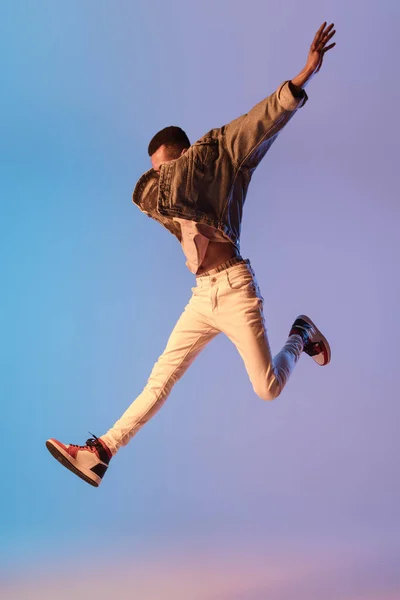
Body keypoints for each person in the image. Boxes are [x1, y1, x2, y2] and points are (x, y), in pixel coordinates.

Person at [46, 22, 336, 487]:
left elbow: (259, 120)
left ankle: (301, 333)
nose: (160, 181)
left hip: (236, 288)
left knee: (267, 389)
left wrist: (302, 77)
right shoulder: (167, 200)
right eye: (155, 174)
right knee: (159, 379)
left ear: (182, 155)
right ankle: (99, 452)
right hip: (203, 296)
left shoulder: (219, 159)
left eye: (165, 169)